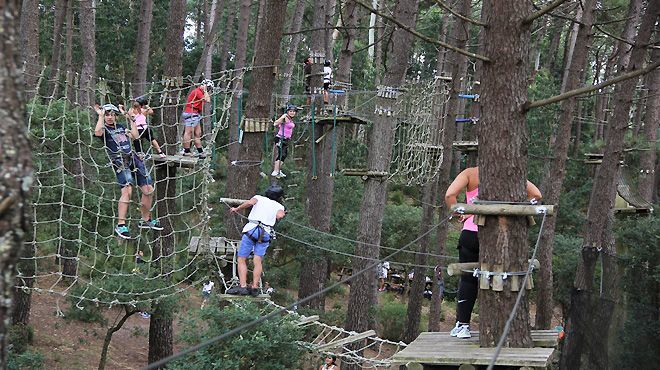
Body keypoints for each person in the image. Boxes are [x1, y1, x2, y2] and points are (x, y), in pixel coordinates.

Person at [445, 166, 542, 339]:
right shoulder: (512, 172)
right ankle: (503, 326)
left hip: (472, 232)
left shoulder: (470, 173)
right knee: (503, 277)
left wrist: (463, 212)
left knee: (469, 279)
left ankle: (463, 325)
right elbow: (537, 196)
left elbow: (449, 195)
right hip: (502, 236)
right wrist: (520, 210)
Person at [94, 103, 163, 239]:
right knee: (127, 190)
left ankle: (146, 219)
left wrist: (132, 120)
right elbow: (97, 133)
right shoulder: (105, 130)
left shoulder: (120, 127)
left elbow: (135, 136)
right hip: (119, 160)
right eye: (107, 115)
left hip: (132, 158)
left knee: (148, 188)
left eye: (112, 115)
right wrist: (101, 116)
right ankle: (121, 225)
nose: (110, 117)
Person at [227, 185, 286, 296]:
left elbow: (249, 203)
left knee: (241, 259)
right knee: (257, 260)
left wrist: (237, 209)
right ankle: (254, 287)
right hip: (266, 233)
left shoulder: (259, 198)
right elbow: (279, 216)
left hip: (252, 230)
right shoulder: (280, 206)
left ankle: (243, 286)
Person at [181, 79, 213, 158]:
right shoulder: (197, 92)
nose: (208, 90)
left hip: (196, 114)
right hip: (191, 113)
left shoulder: (200, 92)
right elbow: (207, 100)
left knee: (198, 133)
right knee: (188, 132)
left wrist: (205, 91)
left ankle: (200, 152)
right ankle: (186, 151)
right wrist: (205, 90)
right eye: (208, 88)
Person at [271, 104, 296, 178]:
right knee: (281, 154)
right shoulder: (285, 117)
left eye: (294, 111)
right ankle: (275, 171)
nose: (292, 113)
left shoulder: (290, 119)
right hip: (280, 138)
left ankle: (278, 170)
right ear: (287, 111)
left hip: (285, 139)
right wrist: (282, 117)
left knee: (284, 155)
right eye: (291, 111)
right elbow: (275, 123)